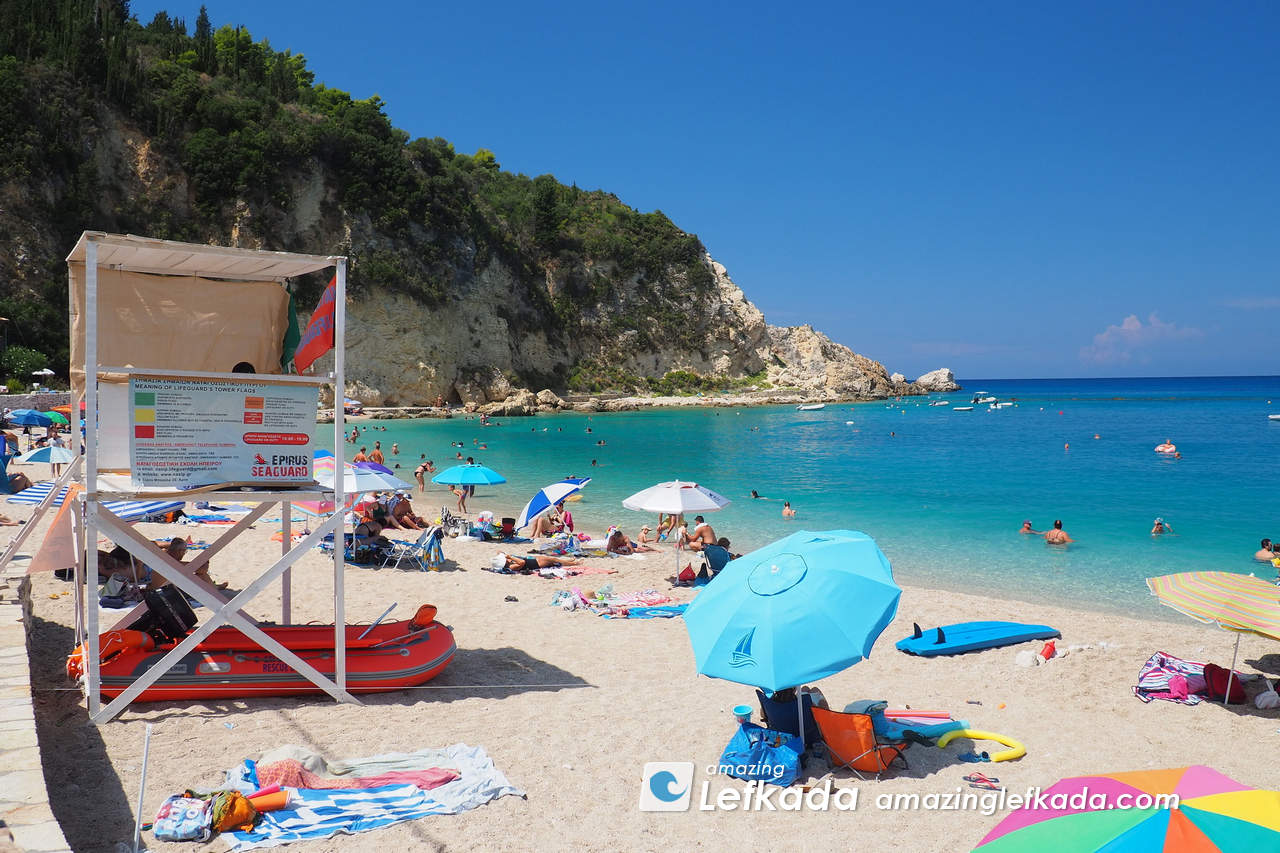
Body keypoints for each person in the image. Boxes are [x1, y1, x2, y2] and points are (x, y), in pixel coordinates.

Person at [495, 552, 581, 572]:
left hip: (533, 560)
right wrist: (510, 557)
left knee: (553, 560)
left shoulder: (508, 563)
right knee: (554, 560)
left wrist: (504, 556)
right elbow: (522, 562)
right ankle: (573, 563)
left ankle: (567, 561)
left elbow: (498, 551)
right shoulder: (510, 567)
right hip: (536, 564)